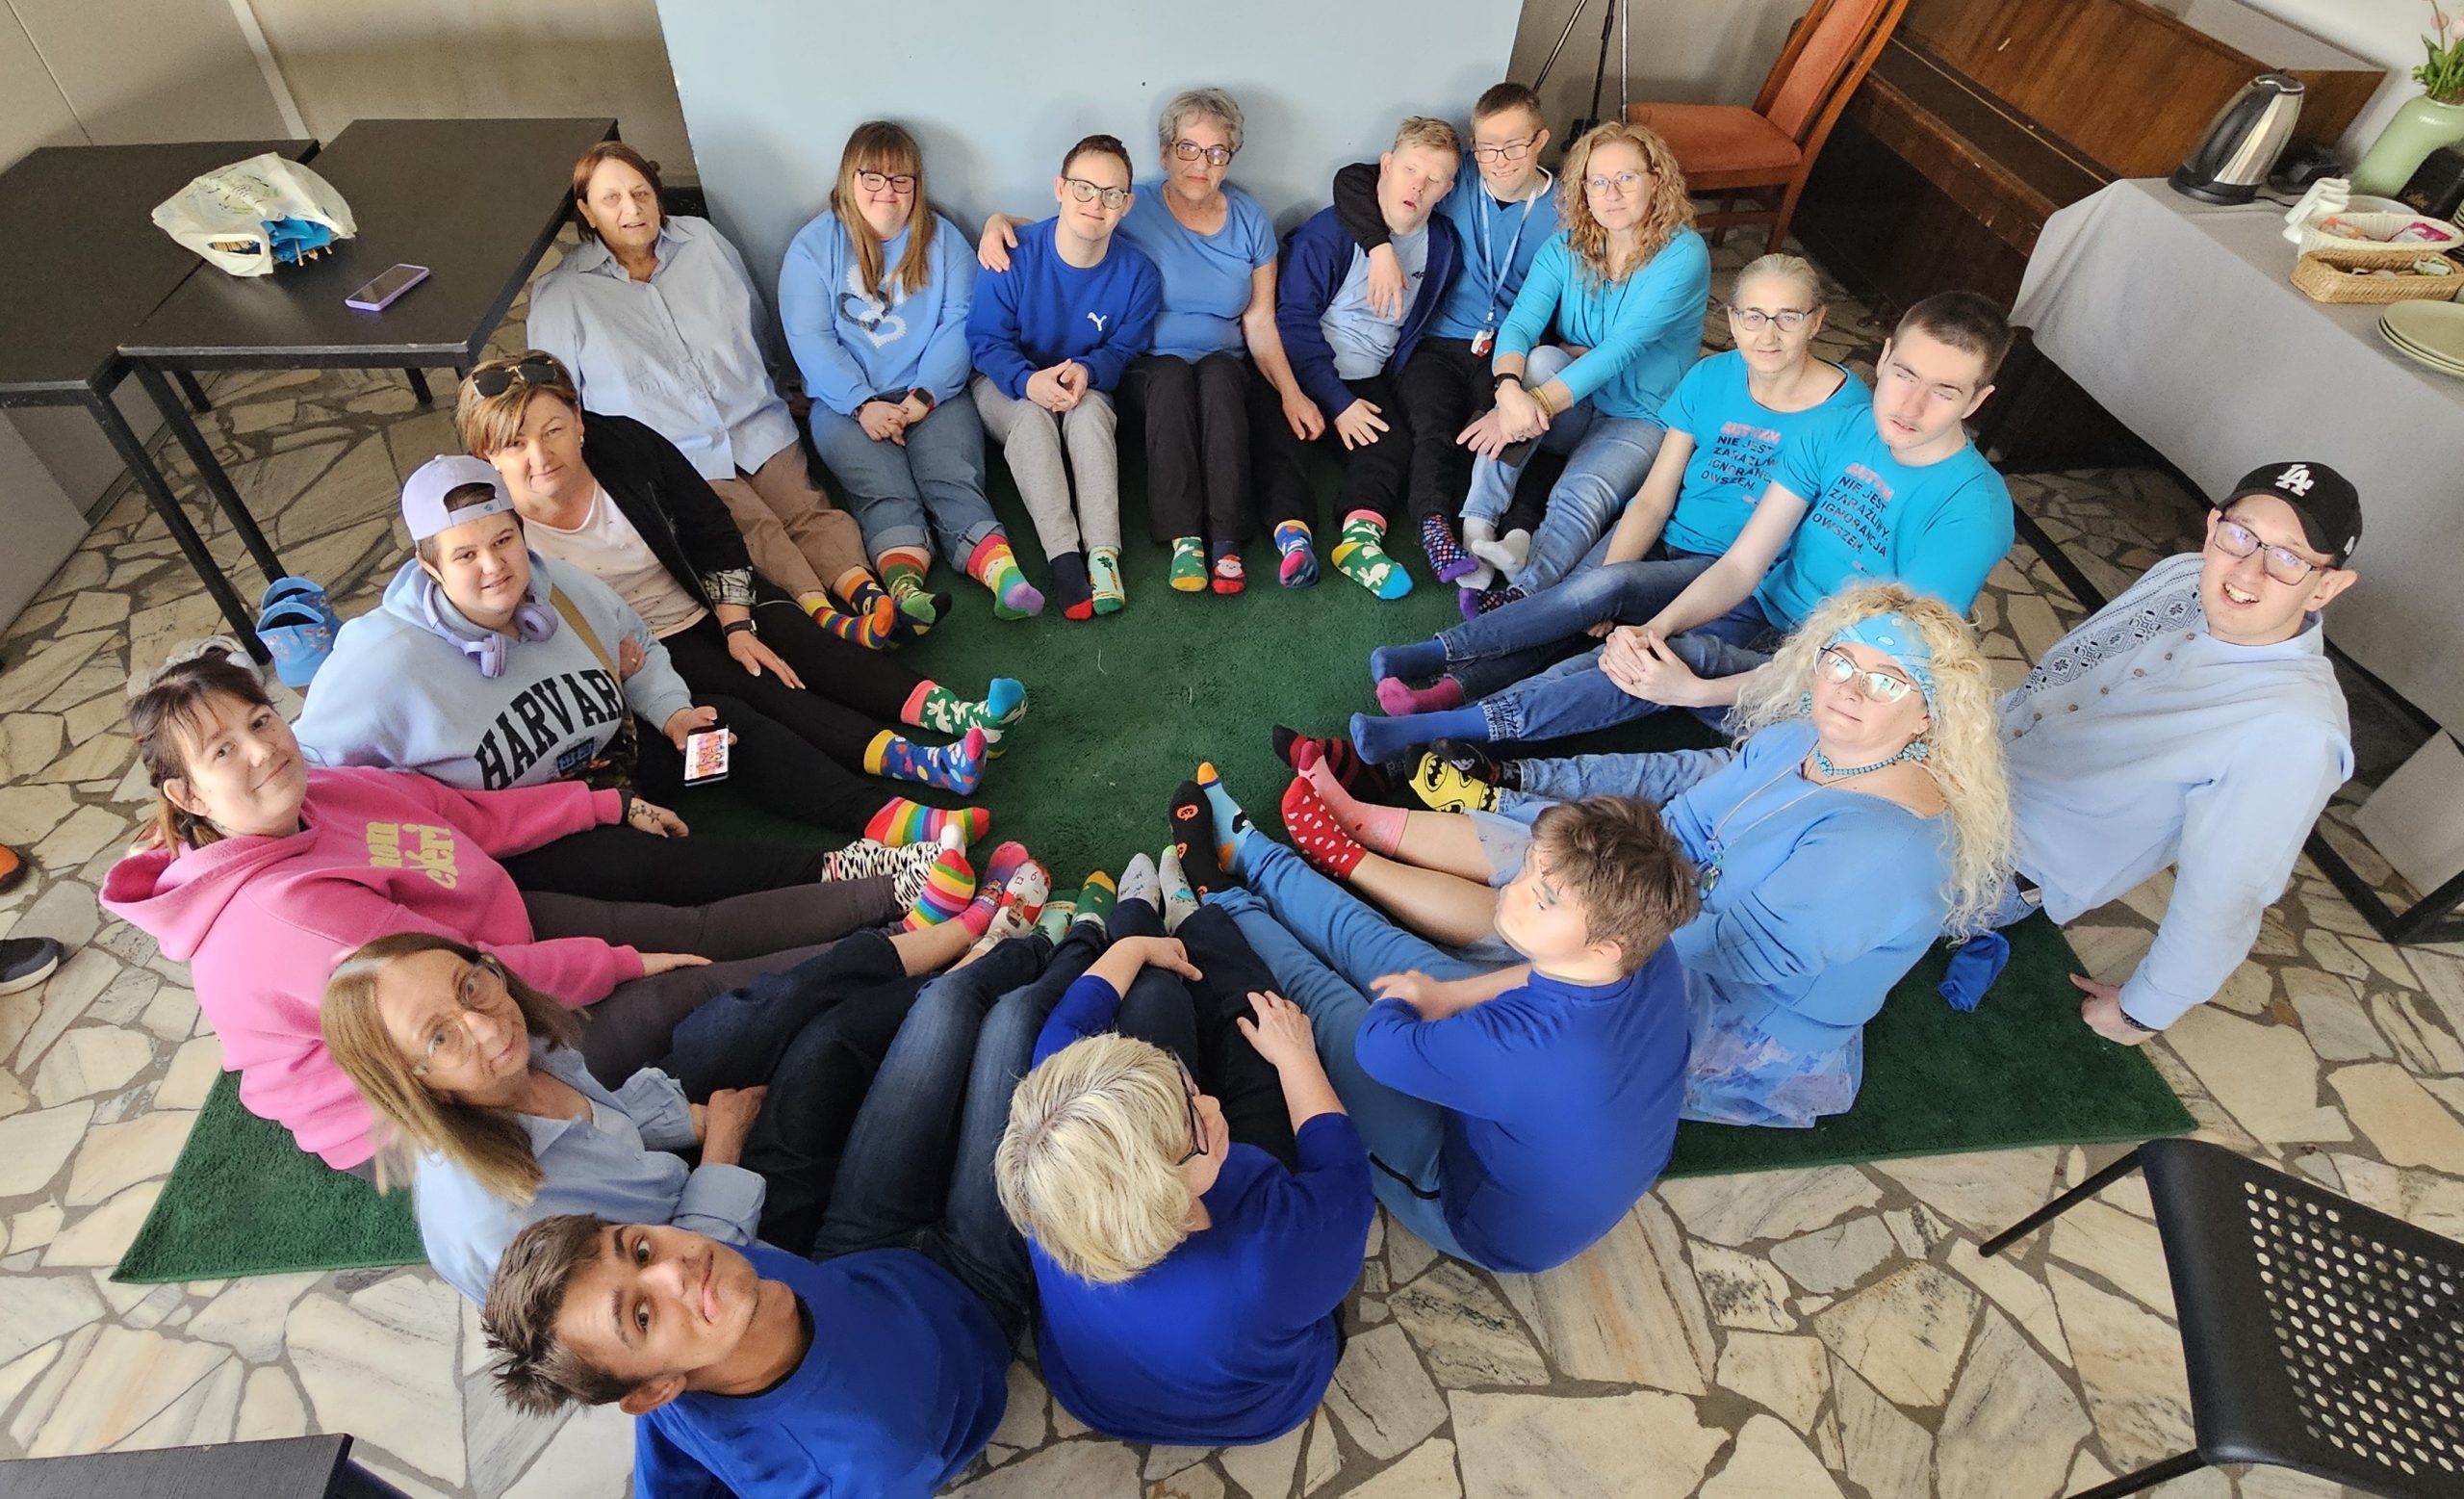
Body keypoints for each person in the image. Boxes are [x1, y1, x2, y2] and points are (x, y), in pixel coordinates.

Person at [100, 647, 913, 1174]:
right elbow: (457, 987)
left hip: (478, 954)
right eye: (223, 751)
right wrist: (619, 964)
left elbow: (466, 816)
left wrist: (600, 803)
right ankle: (915, 948)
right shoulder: (290, 920)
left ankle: (899, 890)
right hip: (446, 1081)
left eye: (260, 719)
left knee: (681, 929)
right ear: (187, 795)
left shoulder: (326, 791)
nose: (261, 749)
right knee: (685, 986)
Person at [1349, 586, 2014, 1126]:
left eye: (1887, 682)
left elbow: (1736, 954)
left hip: (1746, 1009)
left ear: (1929, 715)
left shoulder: (1885, 843)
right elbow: (1683, 822)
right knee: (1556, 853)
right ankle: (1358, 821)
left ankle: (1346, 859)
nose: (1849, 689)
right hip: (1684, 908)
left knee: (1556, 915)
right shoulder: (1800, 738)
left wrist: (1604, 902)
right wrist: (1607, 868)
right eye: (1840, 661)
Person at [479, 923, 1101, 1499]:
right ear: (654, 1388)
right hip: (977, 1299)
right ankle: (1094, 939)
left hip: (859, 1254)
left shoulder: (676, 1365)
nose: (674, 1269)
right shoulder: (874, 1454)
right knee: (1014, 1024)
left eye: (640, 1249)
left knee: (945, 1004)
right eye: (642, 1315)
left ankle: (1032, 938)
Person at [323, 850, 1048, 1299]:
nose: (486, 1025)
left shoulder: (517, 1044)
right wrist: (723, 1144)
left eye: (470, 984)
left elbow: (612, 1122)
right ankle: (978, 968)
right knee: (822, 1053)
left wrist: (695, 1119)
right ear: (416, 1082)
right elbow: (668, 1295)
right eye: (441, 1036)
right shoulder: (508, 1224)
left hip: (666, 1164)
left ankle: (952, 937)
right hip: (717, 1242)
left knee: (761, 1007)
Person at [1350, 291, 2016, 764]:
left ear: (1979, 400)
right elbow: (1744, 563)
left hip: (1812, 667)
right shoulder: (1842, 426)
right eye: (1904, 374)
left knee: (1671, 661)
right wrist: (1655, 624)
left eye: (1945, 391)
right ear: (1887, 353)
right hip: (1757, 597)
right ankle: (1438, 655)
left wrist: (1693, 689)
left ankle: (1448, 726)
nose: (1910, 405)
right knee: (1612, 588)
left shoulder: (1971, 513)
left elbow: (1866, 677)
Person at [293, 457, 995, 870]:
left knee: (730, 728)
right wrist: (412, 838)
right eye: (466, 554)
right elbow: (309, 769)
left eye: (502, 541)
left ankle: (888, 817)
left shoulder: (560, 586)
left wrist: (672, 711)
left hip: (624, 767)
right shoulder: (386, 657)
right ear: (430, 567)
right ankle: (863, 876)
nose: (494, 566)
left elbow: (639, 641)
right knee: (671, 866)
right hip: (542, 834)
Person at [1162, 770, 1696, 1274]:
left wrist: (1413, 1001)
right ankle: (1255, 853)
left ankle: (1218, 899)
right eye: (1530, 866)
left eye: (1543, 899)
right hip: (1543, 1120)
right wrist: (1449, 993)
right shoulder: (1647, 947)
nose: (1513, 890)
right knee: (1384, 950)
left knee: (1319, 1009)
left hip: (1483, 1214)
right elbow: (1538, 981)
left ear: (1606, 945)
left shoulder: (1520, 1049)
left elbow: (1378, 1046)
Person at [454, 357, 1025, 784]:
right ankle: (926, 763)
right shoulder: (489, 528)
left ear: (578, 419)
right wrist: (607, 665)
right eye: (516, 444)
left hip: (711, 594)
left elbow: (711, 528)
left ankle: (965, 715)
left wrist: (736, 625)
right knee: (773, 694)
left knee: (814, 649)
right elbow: (513, 628)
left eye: (553, 430)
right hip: (647, 650)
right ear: (486, 454)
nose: (540, 455)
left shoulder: (625, 444)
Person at [1368, 254, 1867, 731]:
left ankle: (1461, 696)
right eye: (1753, 316)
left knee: (1613, 643)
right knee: (1577, 603)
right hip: (1666, 536)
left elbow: (1821, 535)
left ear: (1817, 322)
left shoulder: (1851, 413)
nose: (1768, 334)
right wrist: (1613, 575)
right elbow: (1654, 497)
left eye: (1788, 317)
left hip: (1734, 571)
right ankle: (1446, 688)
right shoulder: (1710, 375)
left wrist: (1614, 587)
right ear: (1733, 319)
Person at [1991, 462, 2360, 1045]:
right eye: (2240, 535)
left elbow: (2225, 897)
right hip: (1962, 762)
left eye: (2289, 558)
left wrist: (2142, 1010)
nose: (2248, 570)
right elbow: (2050, 687)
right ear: (2213, 527)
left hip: (2000, 858)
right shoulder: (2182, 575)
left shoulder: (2295, 731)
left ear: (2325, 587)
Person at [997, 881, 1371, 1445]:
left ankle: (1140, 919)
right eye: (1194, 1122)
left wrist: (1134, 948)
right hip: (1262, 1405)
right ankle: (1194, 918)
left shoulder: (1057, 1156)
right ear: (1169, 1197)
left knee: (1152, 992)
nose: (1209, 1103)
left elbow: (1066, 1029)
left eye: (1185, 1086)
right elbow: (1343, 1173)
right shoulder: (1275, 1249)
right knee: (1260, 1056)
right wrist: (1297, 1056)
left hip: (1098, 1397)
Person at [527, 142, 894, 642]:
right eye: (611, 199)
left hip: (754, 421)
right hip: (677, 453)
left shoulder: (703, 241)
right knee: (754, 529)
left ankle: (870, 597)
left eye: (641, 193)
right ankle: (829, 620)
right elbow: (559, 402)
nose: (632, 208)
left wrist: (780, 387)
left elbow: (755, 321)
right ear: (587, 212)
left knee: (806, 507)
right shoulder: (562, 295)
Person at [980, 88, 1324, 595]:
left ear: (1229, 159)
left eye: (1216, 152)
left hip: (1223, 363)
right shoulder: (1131, 205)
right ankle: (1185, 538)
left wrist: (1292, 392)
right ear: (1165, 154)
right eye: (1187, 148)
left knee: (1222, 376)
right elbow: (1071, 229)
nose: (1200, 164)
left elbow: (1260, 322)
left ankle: (1227, 540)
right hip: (1147, 366)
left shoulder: (1249, 219)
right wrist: (999, 222)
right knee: (1171, 375)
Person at [780, 120, 1044, 621]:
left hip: (933, 393)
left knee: (953, 476)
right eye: (873, 177)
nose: (888, 191)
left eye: (901, 179)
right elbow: (809, 337)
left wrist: (924, 395)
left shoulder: (944, 241)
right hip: (845, 404)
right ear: (849, 180)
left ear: (917, 185)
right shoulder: (812, 248)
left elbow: (960, 322)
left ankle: (1004, 577)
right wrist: (862, 403)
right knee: (882, 489)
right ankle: (907, 592)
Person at [1450, 120, 1712, 612]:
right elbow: (1520, 324)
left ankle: (1523, 596)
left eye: (1626, 178)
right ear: (1583, 190)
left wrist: (1528, 404)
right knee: (1539, 360)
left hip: (1641, 415)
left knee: (1581, 495)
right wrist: (1507, 389)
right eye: (1598, 181)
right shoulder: (1565, 246)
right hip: (1573, 402)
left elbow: (1620, 350)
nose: (1611, 194)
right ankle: (1477, 529)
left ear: (1656, 180)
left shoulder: (1683, 254)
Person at [1328, 83, 1558, 582]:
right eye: (1487, 146)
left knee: (1519, 428)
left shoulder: (1565, 209)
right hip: (1437, 341)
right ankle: (1435, 529)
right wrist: (1378, 248)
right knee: (1433, 427)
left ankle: (1513, 533)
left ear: (1540, 140)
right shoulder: (1457, 180)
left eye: (1514, 145)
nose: (1499, 160)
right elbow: (1352, 180)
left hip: (1510, 350)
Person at [1257, 116, 1464, 602]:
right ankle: (1294, 541)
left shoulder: (1443, 245)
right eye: (1410, 170)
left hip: (1369, 376)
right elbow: (1294, 322)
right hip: (1301, 370)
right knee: (1280, 444)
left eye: (1434, 179)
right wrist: (1335, 401)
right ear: (1386, 166)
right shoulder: (1328, 232)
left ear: (1447, 189)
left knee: (1392, 448)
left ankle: (1359, 542)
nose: (1418, 186)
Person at [964, 134, 1161, 619]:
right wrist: (1028, 382)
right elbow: (986, 341)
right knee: (1032, 420)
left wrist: (1089, 370)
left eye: (1111, 194)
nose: (1096, 203)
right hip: (1006, 382)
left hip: (1084, 384)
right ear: (1060, 188)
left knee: (1091, 417)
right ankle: (1064, 558)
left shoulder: (1139, 275)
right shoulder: (1010, 254)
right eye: (1083, 188)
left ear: (1126, 204)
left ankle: (1103, 556)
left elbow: (1124, 348)